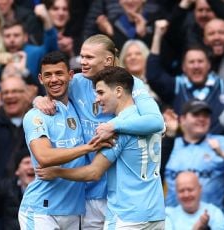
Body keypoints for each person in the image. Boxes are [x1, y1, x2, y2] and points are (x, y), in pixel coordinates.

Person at [33, 34, 164, 229]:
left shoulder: (130, 84)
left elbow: (155, 121)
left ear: (108, 60)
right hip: (90, 192)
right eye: (81, 57)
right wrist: (38, 100)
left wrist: (114, 125)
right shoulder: (77, 81)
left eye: (89, 57)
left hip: (120, 194)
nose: (82, 62)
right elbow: (52, 87)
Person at [19, 51, 109, 229]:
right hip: (41, 210)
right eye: (48, 75)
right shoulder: (36, 116)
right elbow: (44, 157)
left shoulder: (77, 107)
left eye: (59, 73)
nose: (54, 80)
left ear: (70, 76)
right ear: (40, 79)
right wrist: (87, 148)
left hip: (75, 212)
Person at [147, 19, 224, 134]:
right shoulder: (176, 86)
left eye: (200, 61)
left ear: (209, 65)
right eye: (191, 62)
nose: (196, 66)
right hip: (182, 148)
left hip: (220, 148)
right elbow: (153, 75)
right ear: (184, 67)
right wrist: (157, 36)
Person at [165, 99, 224, 209]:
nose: (201, 119)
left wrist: (222, 153)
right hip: (174, 220)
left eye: (206, 115)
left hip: (213, 220)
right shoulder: (170, 145)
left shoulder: (222, 142)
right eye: (196, 115)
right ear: (182, 119)